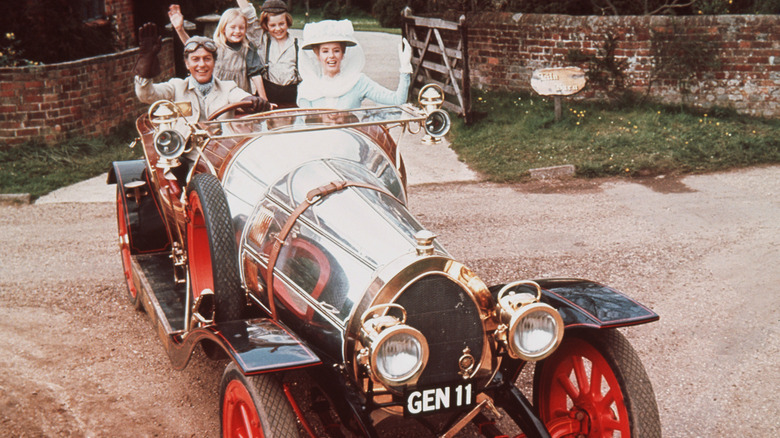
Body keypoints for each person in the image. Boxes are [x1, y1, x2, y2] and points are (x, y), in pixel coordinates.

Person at [133, 23, 269, 124]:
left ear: (214, 62)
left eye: (207, 59)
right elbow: (146, 95)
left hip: (220, 153)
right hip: (186, 154)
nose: (202, 64)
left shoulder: (228, 88)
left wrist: (253, 101)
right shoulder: (176, 87)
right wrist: (146, 64)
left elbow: (241, 98)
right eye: (195, 59)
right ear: (187, 64)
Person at [296, 19, 412, 109]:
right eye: (325, 51)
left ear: (343, 53)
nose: (331, 56)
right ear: (317, 54)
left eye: (336, 50)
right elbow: (303, 126)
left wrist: (405, 68)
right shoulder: (308, 87)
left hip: (350, 139)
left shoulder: (358, 81)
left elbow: (397, 100)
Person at [168, 3, 266, 99]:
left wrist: (264, 99)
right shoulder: (215, 46)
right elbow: (192, 46)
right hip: (216, 98)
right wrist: (179, 29)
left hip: (240, 98)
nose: (237, 31)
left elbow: (256, 75)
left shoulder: (248, 49)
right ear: (223, 28)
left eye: (241, 28)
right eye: (233, 27)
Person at [237, 0, 301, 107]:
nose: (278, 29)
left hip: (292, 99)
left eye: (281, 24)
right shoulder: (262, 40)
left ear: (287, 22)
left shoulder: (297, 44)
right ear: (266, 26)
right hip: (267, 98)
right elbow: (248, 15)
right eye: (272, 25)